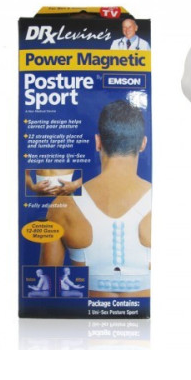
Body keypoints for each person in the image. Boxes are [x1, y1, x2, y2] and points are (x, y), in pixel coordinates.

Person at [42, 101, 151, 298]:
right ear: (143, 143)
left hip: (85, 316)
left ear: (98, 142)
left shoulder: (62, 206)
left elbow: (45, 288)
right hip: (145, 314)